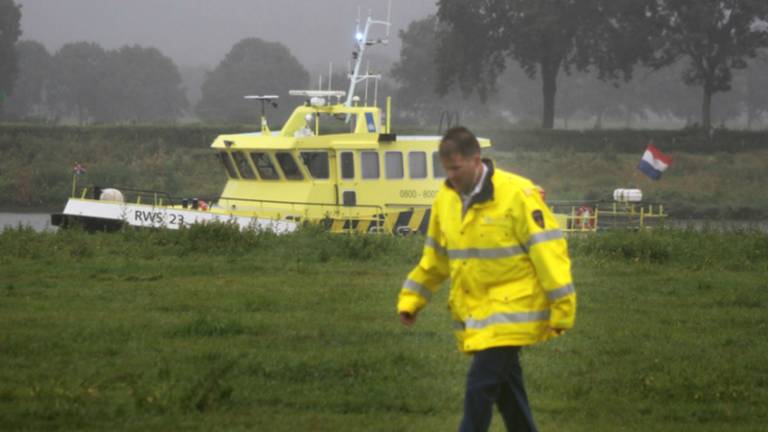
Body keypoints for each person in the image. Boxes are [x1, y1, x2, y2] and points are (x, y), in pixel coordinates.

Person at [397, 126, 576, 432]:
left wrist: (562, 307)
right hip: (477, 312)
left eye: (457, 168)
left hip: (513, 312)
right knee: (509, 396)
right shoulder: (445, 199)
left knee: (479, 388)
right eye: (447, 169)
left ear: (476, 159)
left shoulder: (518, 194)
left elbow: (548, 253)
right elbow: (436, 258)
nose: (451, 175)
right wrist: (412, 300)